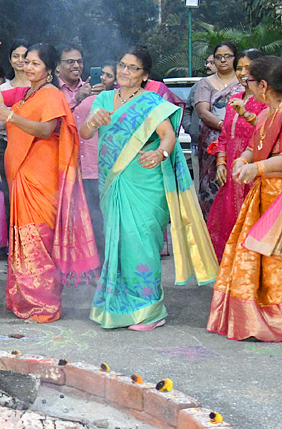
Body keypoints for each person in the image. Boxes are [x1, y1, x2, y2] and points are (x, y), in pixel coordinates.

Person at [80, 48, 217, 330]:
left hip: (144, 181)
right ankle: (119, 307)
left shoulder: (151, 102)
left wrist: (160, 155)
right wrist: (93, 121)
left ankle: (152, 310)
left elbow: (167, 136)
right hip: (113, 182)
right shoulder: (103, 99)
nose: (124, 71)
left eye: (132, 68)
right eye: (122, 65)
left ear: (144, 76)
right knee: (119, 244)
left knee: (141, 243)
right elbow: (85, 133)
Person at [0, 33, 99, 322]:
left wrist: (11, 117)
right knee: (25, 238)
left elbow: (46, 130)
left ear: (49, 69)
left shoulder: (51, 95)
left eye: (35, 64)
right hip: (21, 175)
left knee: (39, 239)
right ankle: (28, 300)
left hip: (42, 179)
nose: (28, 67)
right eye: (26, 62)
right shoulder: (25, 93)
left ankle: (45, 305)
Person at [208, 55, 282, 341]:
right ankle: (255, 317)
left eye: (250, 80)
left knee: (274, 260)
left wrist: (257, 167)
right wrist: (241, 160)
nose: (246, 84)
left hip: (277, 196)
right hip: (262, 195)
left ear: (263, 85)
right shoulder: (265, 114)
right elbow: (254, 146)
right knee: (254, 257)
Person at [208, 49, 268, 257]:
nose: (243, 73)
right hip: (233, 172)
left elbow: (267, 134)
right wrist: (221, 164)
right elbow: (224, 137)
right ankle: (231, 275)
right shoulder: (234, 98)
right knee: (228, 221)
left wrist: (247, 114)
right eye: (239, 68)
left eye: (247, 68)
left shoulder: (267, 100)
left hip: (254, 169)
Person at [191, 41, 241, 216]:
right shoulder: (205, 83)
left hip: (239, 141)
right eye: (219, 57)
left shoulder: (244, 82)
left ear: (235, 58)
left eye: (227, 56)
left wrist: (233, 129)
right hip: (212, 144)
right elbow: (203, 112)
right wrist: (224, 126)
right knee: (210, 186)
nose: (223, 60)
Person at [71, 63, 116, 256]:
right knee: (87, 221)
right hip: (80, 166)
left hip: (104, 167)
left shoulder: (115, 101)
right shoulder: (81, 94)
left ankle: (109, 266)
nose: (103, 79)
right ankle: (92, 267)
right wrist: (80, 97)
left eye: (108, 75)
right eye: (101, 75)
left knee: (104, 221)